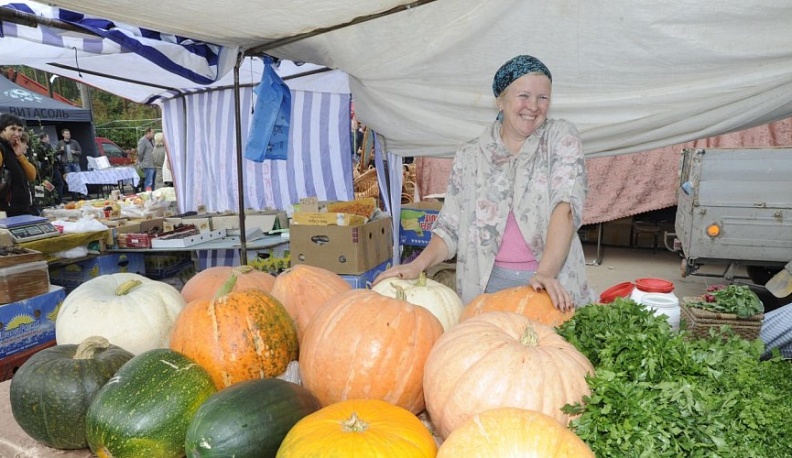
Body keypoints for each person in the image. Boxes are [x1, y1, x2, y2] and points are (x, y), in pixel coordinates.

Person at [373, 55, 596, 311]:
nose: (533, 106)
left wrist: (545, 273)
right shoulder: (470, 155)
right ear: (501, 101)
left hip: (551, 285)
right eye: (523, 95)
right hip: (486, 289)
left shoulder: (560, 137)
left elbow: (565, 204)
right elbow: (450, 227)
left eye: (542, 98)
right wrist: (416, 265)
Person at [0, 114, 37, 217]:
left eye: (20, 130)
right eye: (12, 129)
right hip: (7, 212)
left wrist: (20, 156)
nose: (17, 133)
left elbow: (32, 176)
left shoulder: (12, 149)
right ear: (2, 129)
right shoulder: (1, 148)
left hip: (20, 209)